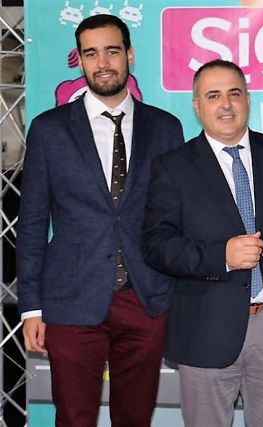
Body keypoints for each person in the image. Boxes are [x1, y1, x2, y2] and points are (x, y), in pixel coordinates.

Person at [17, 14, 184, 427]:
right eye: (91, 54)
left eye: (112, 51)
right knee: (74, 419)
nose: (102, 63)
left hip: (145, 299)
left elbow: (177, 219)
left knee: (135, 419)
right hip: (70, 300)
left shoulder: (165, 128)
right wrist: (31, 307)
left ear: (130, 55)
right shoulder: (48, 130)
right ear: (80, 61)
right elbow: (32, 223)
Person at [142, 59, 263, 427]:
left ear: (248, 100)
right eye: (213, 96)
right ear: (197, 106)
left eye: (234, 94)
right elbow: (156, 244)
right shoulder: (172, 167)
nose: (226, 105)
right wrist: (221, 256)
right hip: (205, 330)